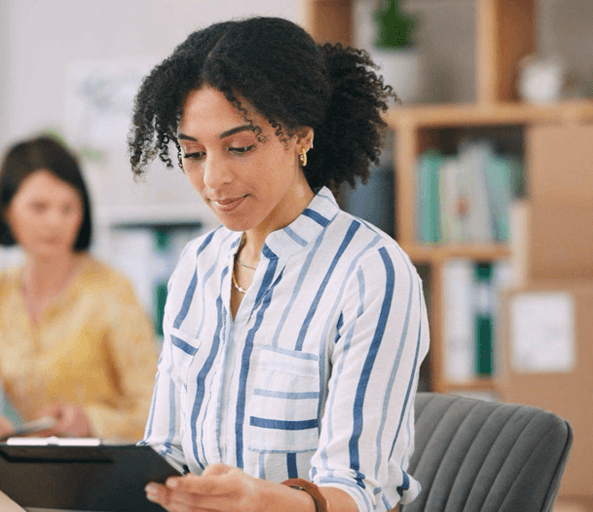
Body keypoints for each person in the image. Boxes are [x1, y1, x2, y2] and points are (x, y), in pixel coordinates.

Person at [130, 17, 428, 512]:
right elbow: (166, 450)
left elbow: (361, 490)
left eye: (240, 147)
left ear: (299, 137)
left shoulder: (371, 272)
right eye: (193, 154)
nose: (214, 179)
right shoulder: (197, 266)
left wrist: (262, 501)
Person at [0, 136, 159, 444]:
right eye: (39, 207)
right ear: (7, 211)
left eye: (68, 208)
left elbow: (156, 412)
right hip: (30, 474)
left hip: (108, 470)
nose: (55, 222)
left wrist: (90, 422)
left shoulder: (113, 291)